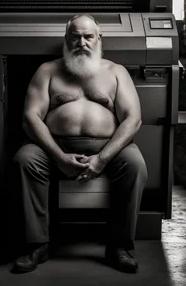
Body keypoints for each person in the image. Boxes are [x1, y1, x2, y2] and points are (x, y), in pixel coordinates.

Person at [11, 14, 147, 274]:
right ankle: (36, 245)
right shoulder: (48, 70)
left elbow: (133, 119)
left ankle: (119, 246)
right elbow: (31, 118)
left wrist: (103, 158)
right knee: (25, 160)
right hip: (53, 145)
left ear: (99, 39)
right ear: (66, 39)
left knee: (135, 165)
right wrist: (60, 156)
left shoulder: (115, 72)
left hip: (108, 145)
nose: (81, 42)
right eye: (75, 36)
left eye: (88, 36)